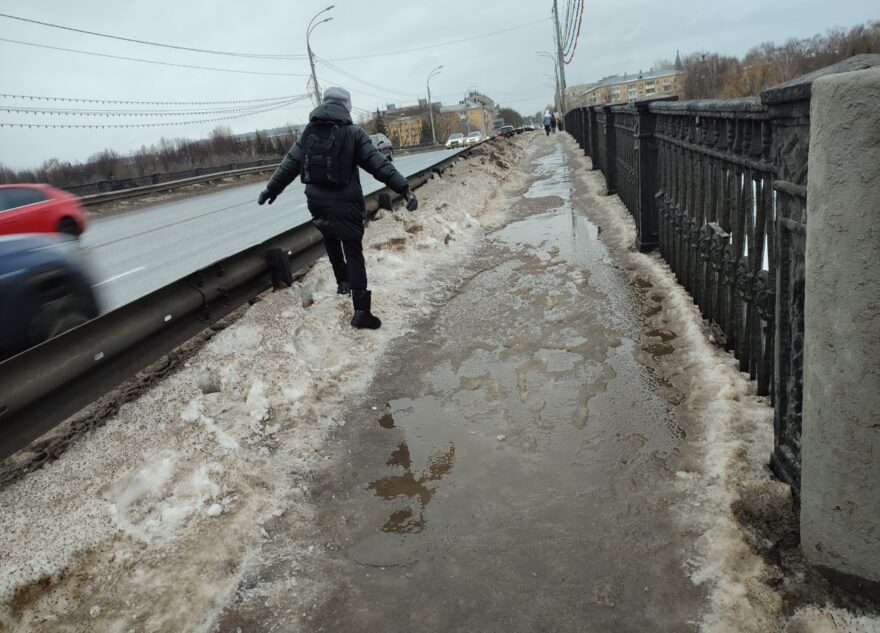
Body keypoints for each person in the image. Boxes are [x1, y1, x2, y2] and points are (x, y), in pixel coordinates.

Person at [258, 87, 417, 330]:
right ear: (346, 107)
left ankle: (343, 284)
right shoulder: (353, 133)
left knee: (331, 239)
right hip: (347, 201)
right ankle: (361, 311)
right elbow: (378, 164)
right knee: (353, 251)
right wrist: (404, 189)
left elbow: (289, 164)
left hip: (317, 201)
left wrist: (271, 189)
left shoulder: (308, 132)